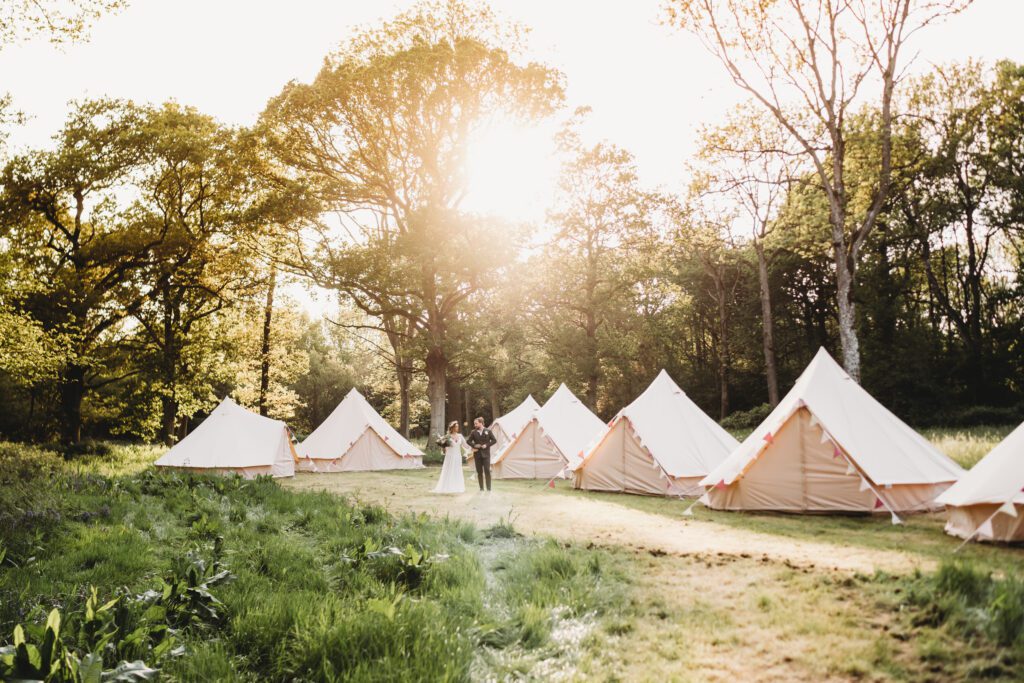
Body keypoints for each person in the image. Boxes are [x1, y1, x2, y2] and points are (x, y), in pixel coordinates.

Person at [433, 421, 471, 494]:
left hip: (457, 456)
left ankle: (457, 486)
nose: (457, 428)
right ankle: (447, 486)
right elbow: (444, 449)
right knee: (449, 470)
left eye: (458, 426)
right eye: (456, 426)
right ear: (452, 428)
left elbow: (466, 445)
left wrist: (473, 446)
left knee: (457, 470)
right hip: (449, 456)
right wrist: (443, 447)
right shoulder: (447, 436)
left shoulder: (460, 436)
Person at [466, 416, 497, 492]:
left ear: (481, 423)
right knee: (479, 472)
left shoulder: (488, 431)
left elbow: (494, 440)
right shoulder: (473, 432)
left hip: (486, 455)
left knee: (487, 471)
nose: (475, 425)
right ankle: (481, 488)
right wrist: (474, 445)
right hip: (477, 455)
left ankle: (489, 488)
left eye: (476, 423)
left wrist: (486, 445)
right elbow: (468, 441)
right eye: (474, 424)